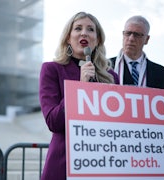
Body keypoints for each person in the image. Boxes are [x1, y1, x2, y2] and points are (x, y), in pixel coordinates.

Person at [39, 12, 119, 180]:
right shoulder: (51, 69)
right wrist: (79, 87)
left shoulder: (112, 77)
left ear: (97, 40)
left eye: (90, 29)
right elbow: (53, 122)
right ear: (68, 37)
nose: (84, 33)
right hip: (63, 163)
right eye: (78, 28)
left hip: (101, 163)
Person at [110, 15, 164, 90]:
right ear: (123, 35)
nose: (131, 38)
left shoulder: (162, 74)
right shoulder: (103, 67)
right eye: (128, 33)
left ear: (146, 39)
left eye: (137, 35)